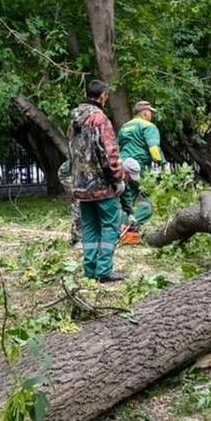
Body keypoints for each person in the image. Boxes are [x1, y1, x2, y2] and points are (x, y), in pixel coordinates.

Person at [69, 80, 125, 282]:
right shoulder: (100, 119)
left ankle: (90, 270)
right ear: (102, 96)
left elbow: (72, 154)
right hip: (101, 186)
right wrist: (118, 178)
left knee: (90, 228)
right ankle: (104, 271)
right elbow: (110, 153)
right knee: (111, 225)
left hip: (81, 186)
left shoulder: (75, 119)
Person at [117, 101, 163, 243]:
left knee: (127, 199)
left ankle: (121, 228)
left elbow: (117, 147)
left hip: (123, 166)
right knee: (149, 200)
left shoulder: (125, 127)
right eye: (151, 112)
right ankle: (134, 225)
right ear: (145, 112)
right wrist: (161, 164)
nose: (152, 115)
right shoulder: (149, 126)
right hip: (139, 166)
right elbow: (154, 149)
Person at [118, 157, 152, 244]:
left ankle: (126, 225)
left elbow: (126, 197)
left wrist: (131, 214)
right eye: (130, 176)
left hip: (118, 210)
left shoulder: (125, 182)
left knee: (146, 209)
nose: (130, 180)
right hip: (106, 208)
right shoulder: (113, 178)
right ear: (125, 172)